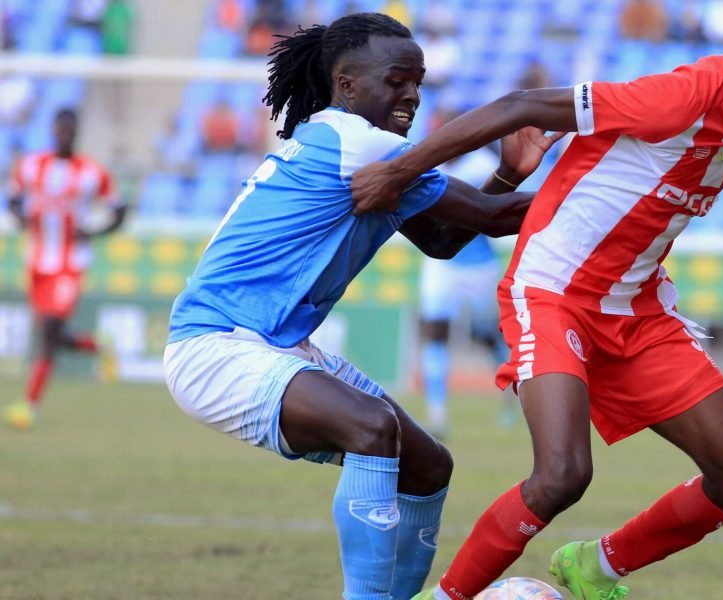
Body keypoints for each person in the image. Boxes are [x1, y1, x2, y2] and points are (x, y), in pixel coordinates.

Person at [352, 26, 723, 600]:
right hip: (554, 291)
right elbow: (521, 106)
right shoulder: (684, 97)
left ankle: (595, 569)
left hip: (636, 308)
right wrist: (401, 170)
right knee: (563, 475)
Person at [161, 13, 560, 600]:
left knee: (427, 468)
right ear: (347, 86)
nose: (412, 95)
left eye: (418, 82)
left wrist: (505, 173)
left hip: (271, 345)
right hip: (217, 346)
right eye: (397, 80)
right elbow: (496, 218)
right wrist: (609, 188)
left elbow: (444, 240)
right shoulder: (358, 142)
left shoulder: (368, 149)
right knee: (371, 429)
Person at [4, 108, 125, 430]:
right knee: (52, 336)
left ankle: (29, 405)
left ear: (76, 132)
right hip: (37, 263)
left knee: (48, 334)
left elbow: (119, 210)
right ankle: (99, 346)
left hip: (70, 264)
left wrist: (93, 231)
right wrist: (20, 215)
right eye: (60, 130)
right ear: (53, 130)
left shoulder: (90, 173)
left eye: (69, 131)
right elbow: (14, 198)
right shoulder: (32, 166)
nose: (64, 135)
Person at [417, 143, 517, 439]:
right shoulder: (428, 162)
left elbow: (500, 207)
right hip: (441, 265)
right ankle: (437, 415)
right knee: (434, 331)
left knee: (487, 335)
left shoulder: (481, 165)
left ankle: (510, 403)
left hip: (479, 267)